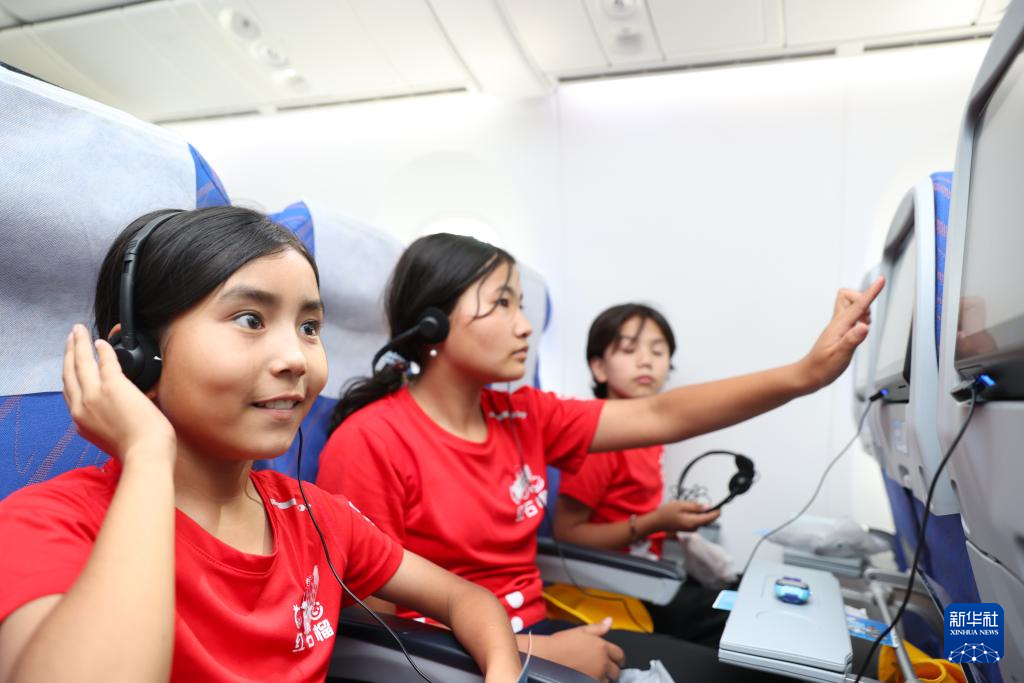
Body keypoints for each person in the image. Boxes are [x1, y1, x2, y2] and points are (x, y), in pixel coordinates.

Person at [316, 232, 883, 682]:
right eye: (502, 304)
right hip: (459, 661)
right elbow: (373, 627)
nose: (525, 325)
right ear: (432, 325)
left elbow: (660, 414)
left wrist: (804, 375)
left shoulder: (522, 414)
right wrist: (531, 651)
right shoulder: (371, 442)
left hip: (536, 632)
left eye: (522, 304)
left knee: (764, 670)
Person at [0, 208, 522, 683]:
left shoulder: (317, 518)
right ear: (137, 358)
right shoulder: (48, 522)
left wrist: (502, 671)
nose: (295, 358)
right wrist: (147, 453)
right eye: (250, 320)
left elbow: (466, 598)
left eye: (309, 327)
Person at [553, 303, 728, 647]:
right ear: (599, 368)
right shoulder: (599, 441)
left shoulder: (648, 437)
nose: (646, 361)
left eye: (658, 351)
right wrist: (654, 522)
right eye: (629, 350)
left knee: (737, 598)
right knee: (734, 620)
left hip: (647, 573)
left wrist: (672, 526)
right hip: (613, 586)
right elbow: (567, 534)